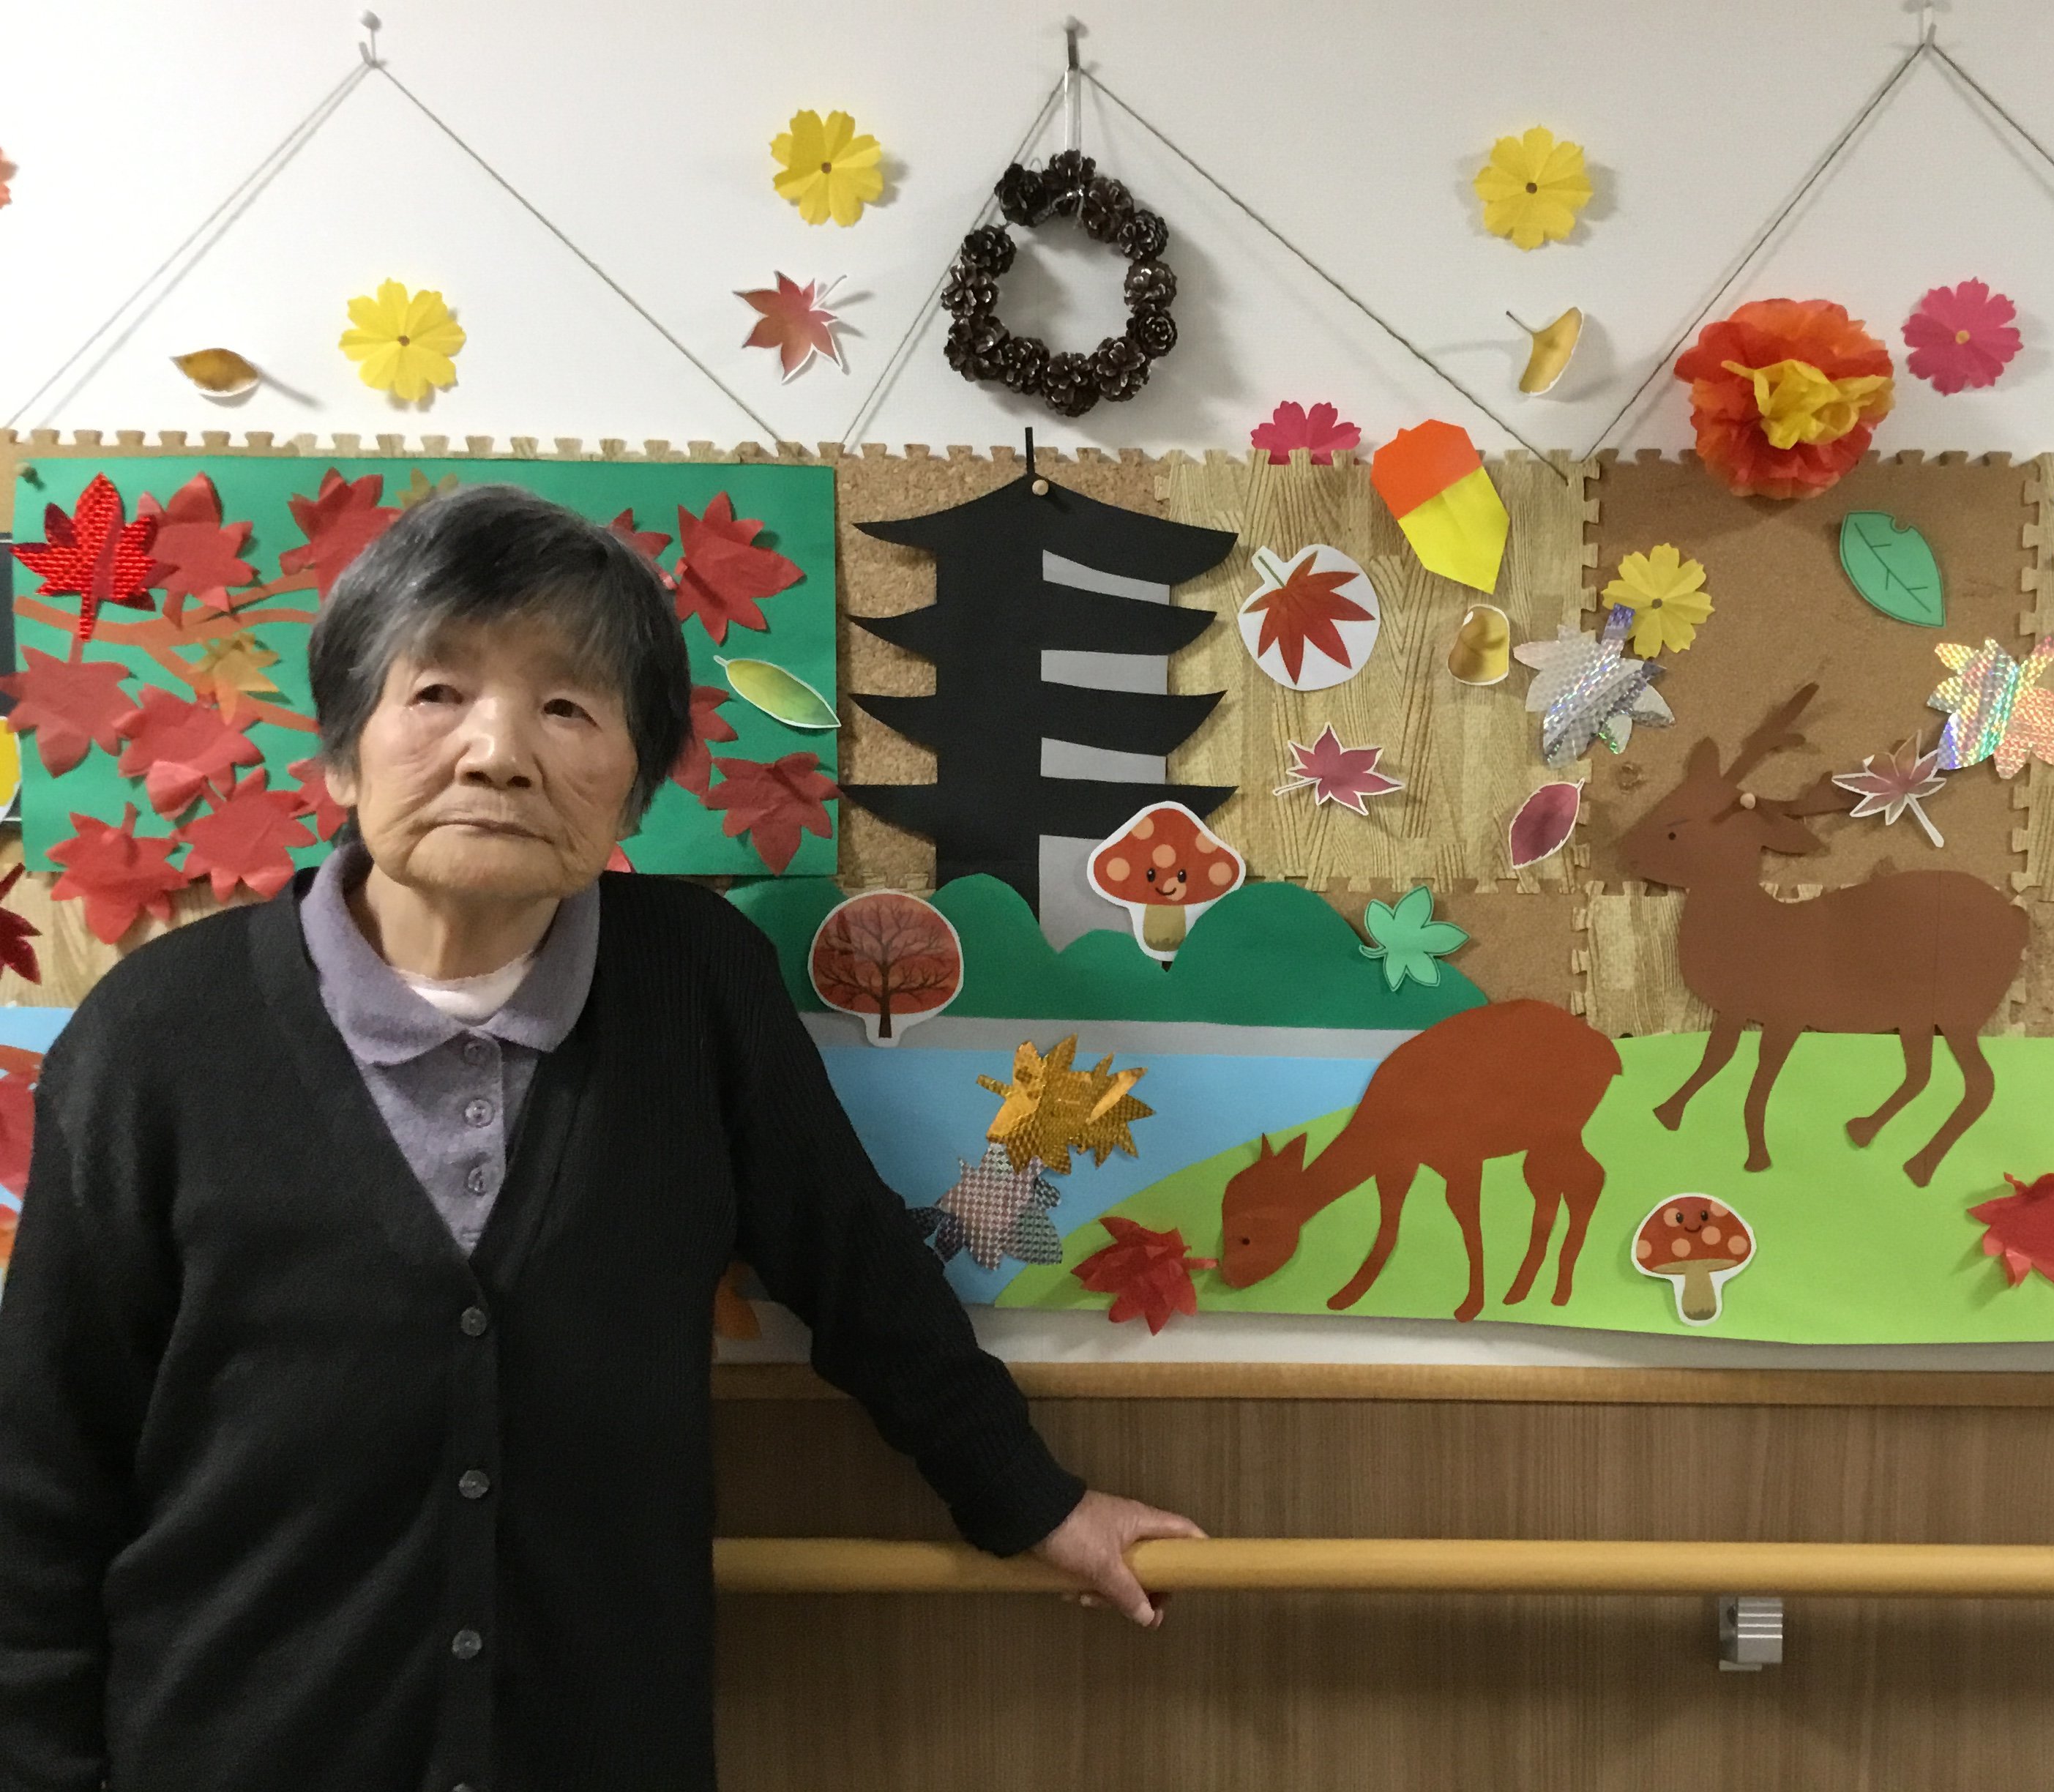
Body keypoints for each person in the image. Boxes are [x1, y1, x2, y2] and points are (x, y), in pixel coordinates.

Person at [0, 483, 1201, 1792]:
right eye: (438, 692)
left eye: (568, 707)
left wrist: (1031, 1499)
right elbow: (44, 1459)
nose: (498, 754)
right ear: (342, 754)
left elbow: (853, 1267)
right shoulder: (158, 1035)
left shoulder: (694, 985)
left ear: (633, 788)